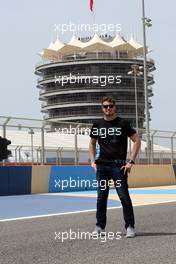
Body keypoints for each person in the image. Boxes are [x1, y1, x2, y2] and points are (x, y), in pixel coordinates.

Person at [89, 96, 141, 238]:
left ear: (115, 107)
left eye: (111, 106)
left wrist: (131, 161)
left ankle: (130, 226)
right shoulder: (97, 124)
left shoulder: (123, 123)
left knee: (124, 197)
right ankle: (99, 227)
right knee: (101, 198)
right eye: (105, 106)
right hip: (102, 167)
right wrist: (93, 161)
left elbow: (137, 140)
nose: (108, 108)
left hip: (119, 167)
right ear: (102, 108)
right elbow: (92, 143)